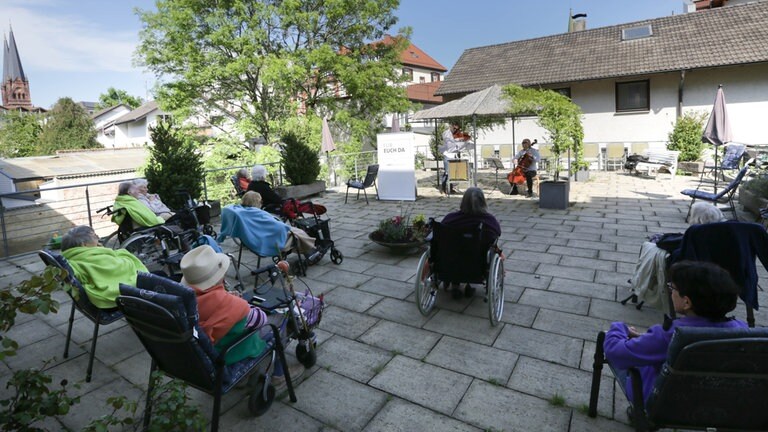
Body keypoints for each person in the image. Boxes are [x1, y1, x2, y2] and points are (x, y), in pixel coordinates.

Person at [604, 260, 747, 404]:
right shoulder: (742, 330)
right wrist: (645, 337)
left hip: (664, 404)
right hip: (718, 402)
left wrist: (619, 328)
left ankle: (638, 415)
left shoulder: (671, 335)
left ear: (687, 302)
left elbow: (615, 352)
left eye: (673, 287)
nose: (671, 291)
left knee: (618, 349)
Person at [180, 245, 303, 386]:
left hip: (205, 357)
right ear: (220, 276)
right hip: (228, 354)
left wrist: (226, 297)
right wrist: (239, 302)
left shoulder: (184, 302)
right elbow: (260, 319)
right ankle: (279, 374)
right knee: (280, 319)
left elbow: (212, 306)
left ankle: (245, 378)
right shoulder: (232, 305)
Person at [219, 191, 325, 265]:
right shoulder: (258, 213)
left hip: (255, 239)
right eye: (260, 201)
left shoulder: (242, 212)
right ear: (256, 202)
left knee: (296, 232)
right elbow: (279, 226)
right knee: (298, 233)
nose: (261, 203)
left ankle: (310, 250)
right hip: (269, 240)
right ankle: (311, 251)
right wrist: (285, 227)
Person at [60, 225, 148, 309]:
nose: (98, 238)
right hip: (114, 294)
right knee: (155, 278)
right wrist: (124, 256)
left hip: (88, 300)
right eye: (94, 236)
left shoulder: (72, 257)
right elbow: (120, 267)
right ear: (84, 244)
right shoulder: (91, 257)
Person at [441, 187, 501, 299]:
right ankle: (466, 284)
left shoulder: (450, 219)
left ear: (463, 202)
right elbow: (496, 235)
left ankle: (455, 284)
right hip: (477, 265)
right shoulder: (490, 221)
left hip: (450, 263)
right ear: (483, 202)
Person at [439, 122, 471, 194]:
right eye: (455, 128)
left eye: (457, 128)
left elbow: (466, 139)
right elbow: (449, 142)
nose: (456, 130)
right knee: (447, 172)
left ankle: (450, 188)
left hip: (454, 156)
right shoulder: (446, 133)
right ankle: (444, 188)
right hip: (448, 155)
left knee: (453, 172)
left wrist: (464, 137)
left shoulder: (457, 133)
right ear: (452, 126)